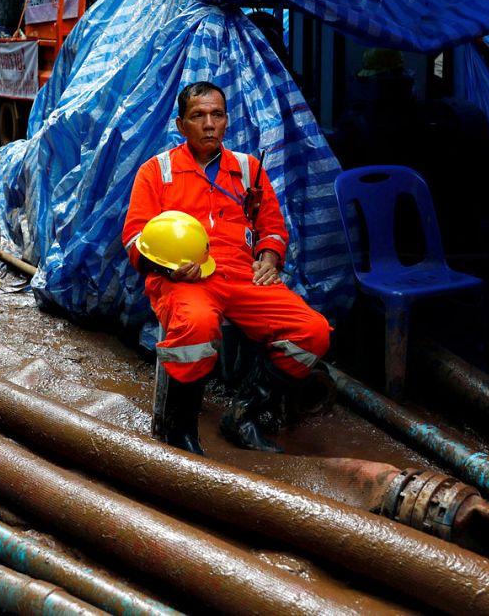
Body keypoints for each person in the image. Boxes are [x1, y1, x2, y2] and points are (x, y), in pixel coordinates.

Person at [122, 81, 332, 455]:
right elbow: (134, 237)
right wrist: (168, 269)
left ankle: (244, 415)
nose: (209, 124)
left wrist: (269, 259)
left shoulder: (248, 169)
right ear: (180, 125)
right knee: (196, 327)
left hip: (243, 275)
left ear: (226, 120)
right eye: (198, 116)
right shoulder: (157, 171)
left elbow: (272, 228)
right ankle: (180, 430)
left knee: (312, 332)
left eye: (217, 114)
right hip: (185, 280)